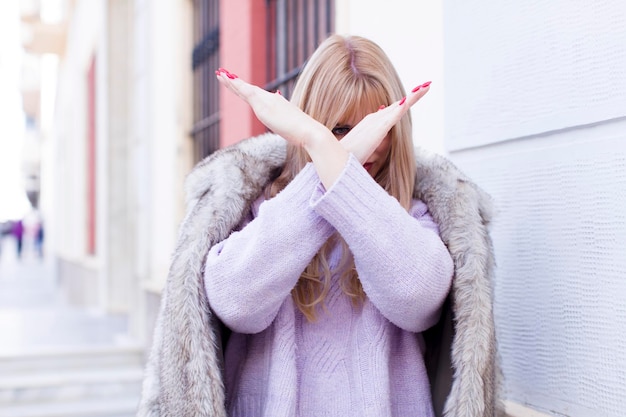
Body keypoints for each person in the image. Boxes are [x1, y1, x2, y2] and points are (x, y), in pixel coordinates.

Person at [138, 34, 500, 417]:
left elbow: (417, 299)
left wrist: (331, 157)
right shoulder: (260, 207)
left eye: (376, 127)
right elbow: (235, 304)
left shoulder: (415, 216)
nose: (369, 146)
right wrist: (323, 160)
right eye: (341, 130)